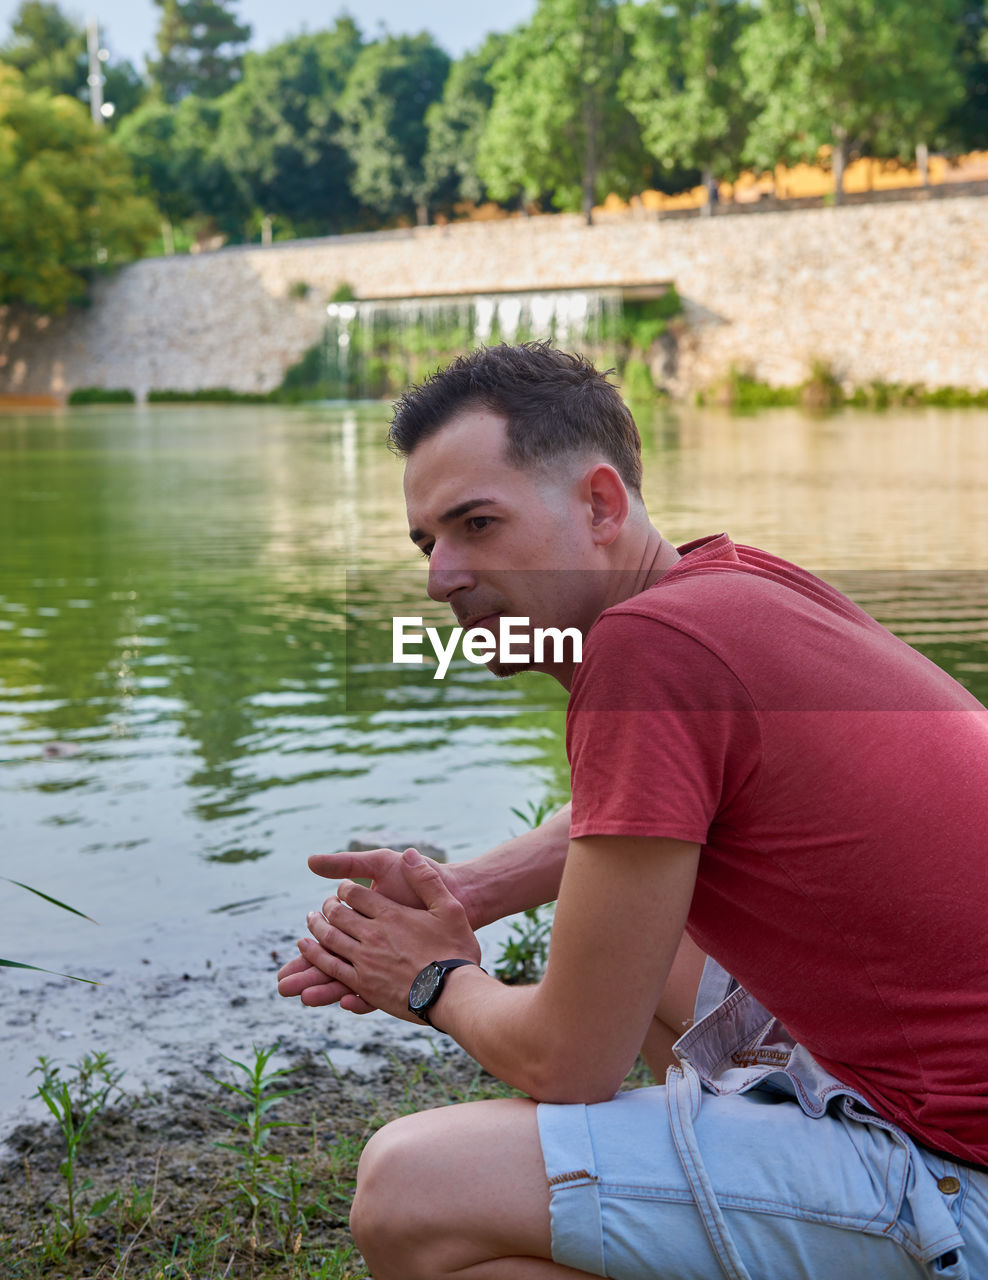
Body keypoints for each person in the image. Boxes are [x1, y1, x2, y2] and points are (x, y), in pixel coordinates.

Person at [277, 343, 988, 1280]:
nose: (440, 577)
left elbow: (571, 1063)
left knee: (409, 1189)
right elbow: (638, 818)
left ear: (601, 506)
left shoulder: (645, 654)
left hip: (959, 1166)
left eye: (477, 525)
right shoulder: (726, 585)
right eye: (428, 543)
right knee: (648, 958)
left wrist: (433, 980)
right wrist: (468, 888)